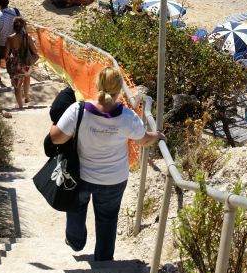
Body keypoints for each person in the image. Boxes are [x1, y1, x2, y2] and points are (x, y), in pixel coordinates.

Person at [49, 67, 166, 261]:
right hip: (114, 179)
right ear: (120, 89)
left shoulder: (78, 111)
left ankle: (76, 242)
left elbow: (56, 138)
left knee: (76, 209)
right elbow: (143, 140)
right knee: (108, 219)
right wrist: (158, 135)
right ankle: (103, 260)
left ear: (96, 85)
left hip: (81, 175)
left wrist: (55, 125)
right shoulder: (128, 117)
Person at [4, 17, 38, 108]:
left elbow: (6, 55)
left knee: (17, 87)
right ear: (24, 26)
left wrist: (10, 61)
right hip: (26, 64)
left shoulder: (9, 38)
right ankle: (27, 97)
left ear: (14, 27)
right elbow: (35, 51)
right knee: (27, 77)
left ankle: (20, 107)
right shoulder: (28, 37)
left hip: (16, 65)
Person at [0, 0, 21, 84]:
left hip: (2, 42)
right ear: (8, 3)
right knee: (13, 60)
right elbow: (22, 23)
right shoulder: (16, 11)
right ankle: (14, 78)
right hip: (14, 42)